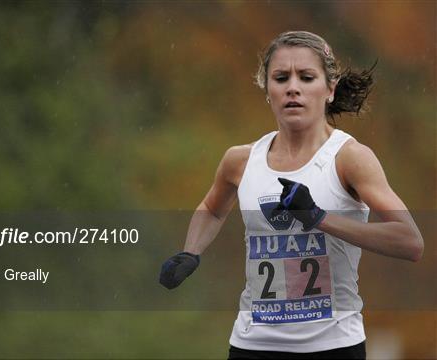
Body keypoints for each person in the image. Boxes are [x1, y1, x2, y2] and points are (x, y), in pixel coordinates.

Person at [159, 31, 424, 360]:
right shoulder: (240, 161)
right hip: (253, 345)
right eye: (281, 78)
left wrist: (319, 218)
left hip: (332, 346)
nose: (292, 87)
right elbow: (213, 210)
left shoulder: (349, 159)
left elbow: (409, 242)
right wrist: (191, 252)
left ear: (329, 89)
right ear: (268, 90)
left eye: (307, 77)